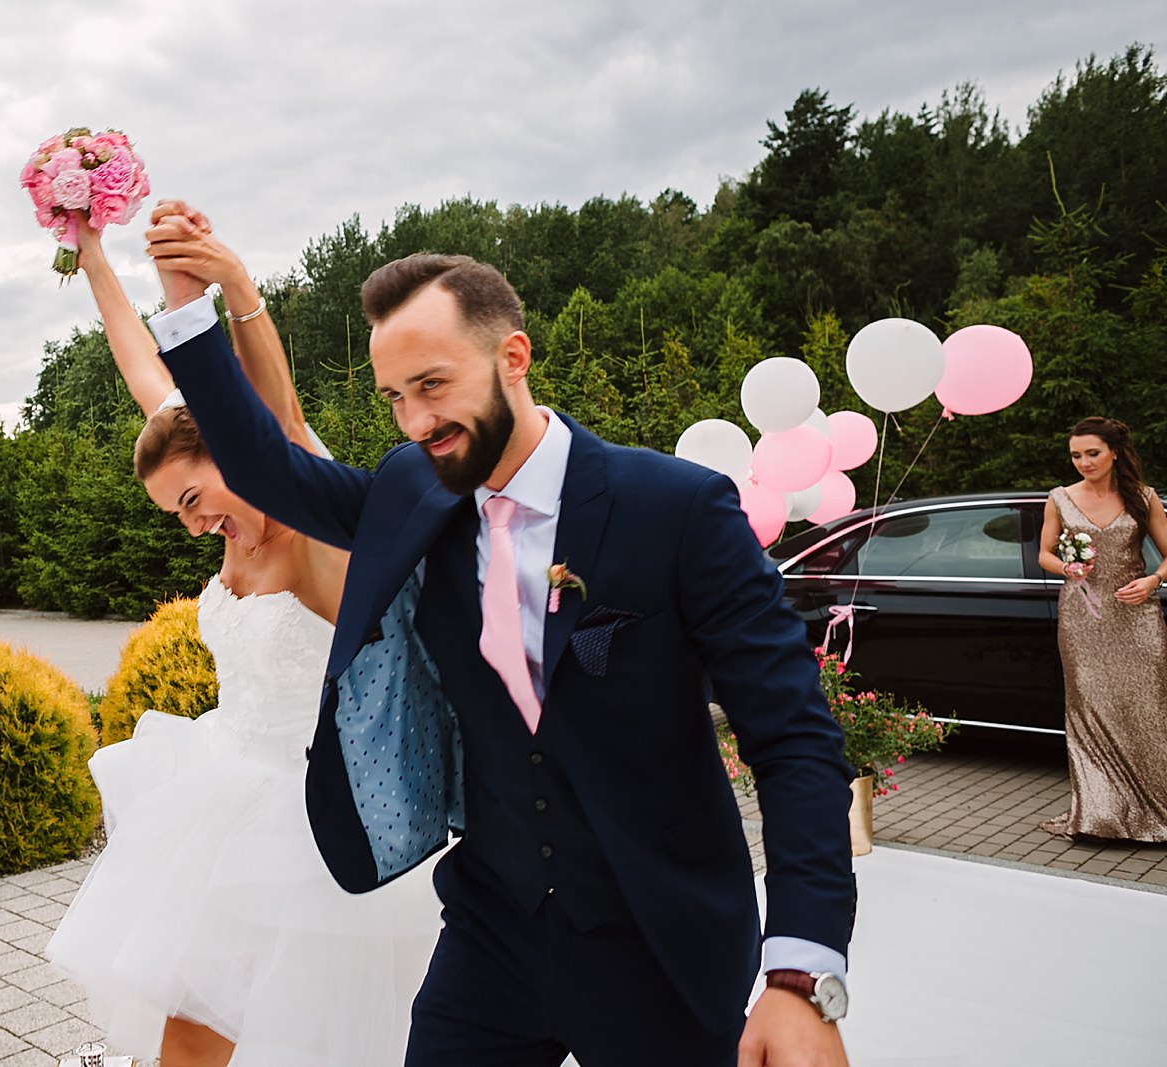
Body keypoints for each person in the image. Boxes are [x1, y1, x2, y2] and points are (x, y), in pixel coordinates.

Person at [143, 216, 857, 1067]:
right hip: (492, 933)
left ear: (512, 358)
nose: (415, 420)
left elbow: (795, 742)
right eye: (394, 396)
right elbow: (268, 468)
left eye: (433, 385)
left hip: (657, 941)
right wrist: (188, 312)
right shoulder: (414, 491)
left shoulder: (679, 509)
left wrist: (802, 973)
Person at [43, 206, 442, 1067]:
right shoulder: (226, 523)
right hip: (227, 796)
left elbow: (285, 417)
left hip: (313, 824)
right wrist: (94, 252)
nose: (193, 527)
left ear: (237, 450)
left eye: (192, 501)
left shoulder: (315, 532)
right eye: (176, 514)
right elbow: (142, 367)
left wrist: (237, 292)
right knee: (188, 1034)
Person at [1037, 416, 1167, 842]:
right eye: (1076, 455)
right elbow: (1044, 554)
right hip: (1084, 618)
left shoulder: (1144, 498)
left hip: (1138, 618)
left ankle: (1154, 809)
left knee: (1146, 711)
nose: (1083, 462)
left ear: (1114, 452)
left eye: (1092, 453)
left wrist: (1152, 580)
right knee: (1088, 711)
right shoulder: (1059, 498)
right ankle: (1100, 816)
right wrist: (1067, 567)